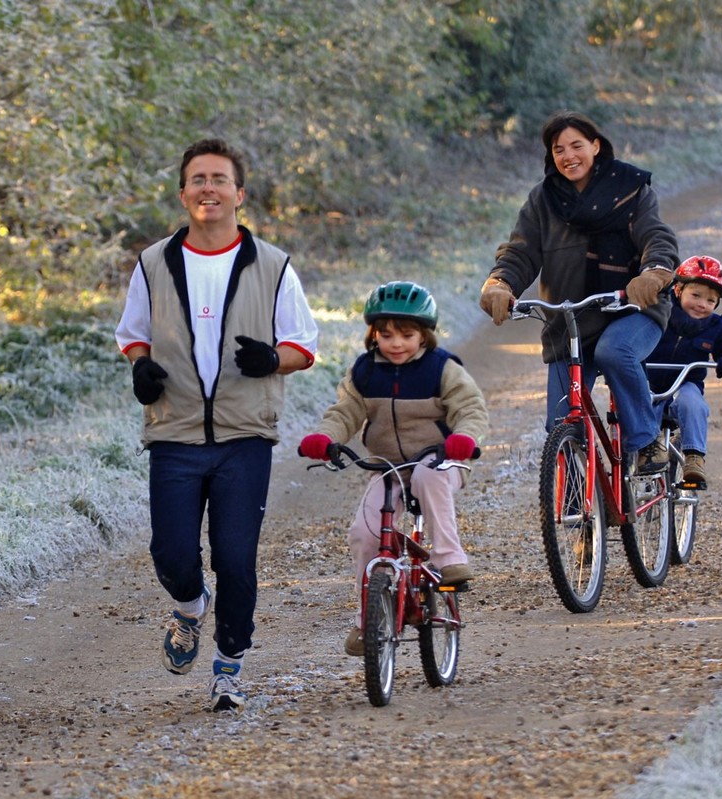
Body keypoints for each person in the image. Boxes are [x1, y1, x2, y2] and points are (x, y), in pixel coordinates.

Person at [115, 138, 318, 711]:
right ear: (183, 194)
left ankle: (228, 668)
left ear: (239, 193)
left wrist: (272, 360)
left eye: (219, 179)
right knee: (172, 554)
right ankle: (188, 607)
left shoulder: (273, 264)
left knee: (236, 559)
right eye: (198, 179)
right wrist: (141, 368)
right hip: (173, 433)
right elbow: (132, 334)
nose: (209, 188)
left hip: (244, 434)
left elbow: (304, 345)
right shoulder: (153, 263)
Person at [479, 111, 680, 483]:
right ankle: (578, 519)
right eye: (559, 149)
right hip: (571, 320)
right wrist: (501, 283)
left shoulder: (630, 189)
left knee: (613, 351)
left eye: (577, 145)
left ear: (596, 146)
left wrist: (653, 271)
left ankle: (647, 441)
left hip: (630, 310)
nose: (569, 156)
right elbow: (521, 251)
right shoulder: (544, 199)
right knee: (560, 421)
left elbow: (656, 236)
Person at [298, 281, 489, 656]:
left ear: (425, 336)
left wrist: (464, 438)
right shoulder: (366, 372)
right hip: (388, 467)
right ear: (374, 335)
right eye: (386, 335)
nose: (396, 343)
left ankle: (450, 558)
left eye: (406, 335)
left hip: (441, 458)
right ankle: (365, 621)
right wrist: (324, 437)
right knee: (364, 534)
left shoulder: (442, 368)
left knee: (427, 475)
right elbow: (344, 414)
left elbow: (471, 407)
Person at [643, 255, 722, 487]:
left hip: (685, 381)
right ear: (679, 290)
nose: (702, 304)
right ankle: (637, 458)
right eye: (696, 295)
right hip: (647, 380)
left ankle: (694, 457)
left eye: (711, 301)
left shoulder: (716, 326)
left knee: (692, 402)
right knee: (635, 406)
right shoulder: (659, 311)